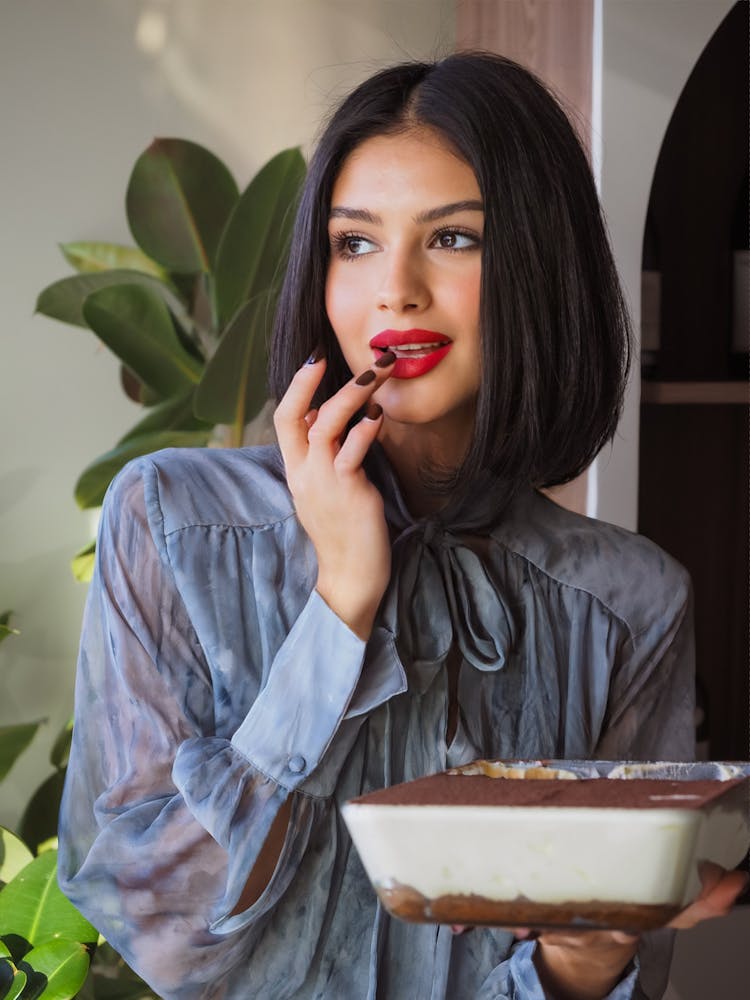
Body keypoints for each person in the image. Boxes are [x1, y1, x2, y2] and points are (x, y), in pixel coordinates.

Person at [58, 52, 747, 1000]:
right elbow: (160, 925)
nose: (398, 289)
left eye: (455, 240)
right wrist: (340, 603)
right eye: (355, 242)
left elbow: (607, 955)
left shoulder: (628, 602)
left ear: (541, 267)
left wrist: (581, 960)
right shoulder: (174, 523)